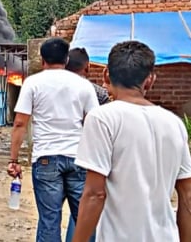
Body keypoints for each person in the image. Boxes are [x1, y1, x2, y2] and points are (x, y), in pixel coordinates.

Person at [72, 41, 191, 242]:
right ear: (150, 80)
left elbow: (94, 194)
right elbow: (187, 195)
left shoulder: (102, 118)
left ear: (106, 74)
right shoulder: (174, 123)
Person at [8, 37, 99, 242]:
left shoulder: (32, 83)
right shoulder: (84, 86)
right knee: (85, 219)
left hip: (46, 159)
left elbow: (20, 123)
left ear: (42, 60)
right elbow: (94, 123)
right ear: (66, 59)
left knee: (49, 220)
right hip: (79, 159)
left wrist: (13, 160)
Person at [64, 48, 111, 242]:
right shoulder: (98, 93)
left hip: (49, 156)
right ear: (88, 66)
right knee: (83, 206)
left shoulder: (49, 89)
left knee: (50, 214)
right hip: (88, 156)